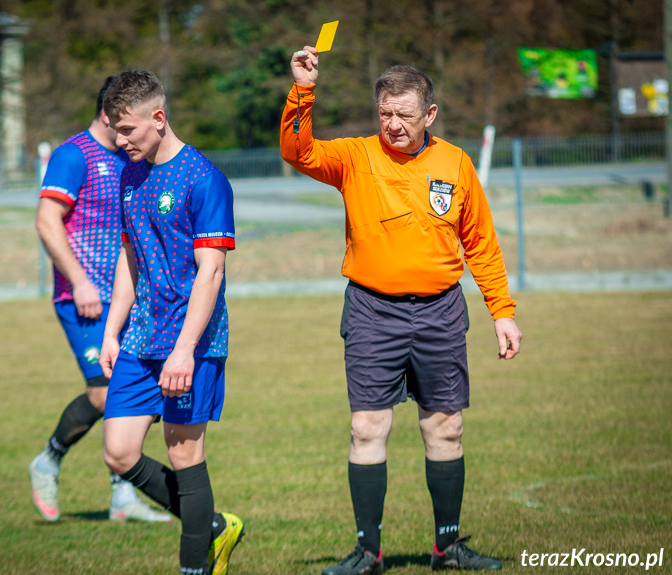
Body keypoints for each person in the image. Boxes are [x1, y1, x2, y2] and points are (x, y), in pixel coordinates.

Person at [280, 47, 523, 574]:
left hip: (440, 313)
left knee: (445, 428)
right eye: (385, 114)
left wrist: (501, 311)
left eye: (404, 115)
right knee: (367, 428)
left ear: (429, 115)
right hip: (372, 312)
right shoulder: (353, 156)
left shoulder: (455, 163)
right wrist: (303, 90)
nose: (392, 125)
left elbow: (481, 242)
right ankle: (368, 553)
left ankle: (447, 548)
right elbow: (297, 153)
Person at [98, 68, 244, 575]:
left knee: (184, 456)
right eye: (115, 129)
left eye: (127, 129)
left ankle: (194, 567)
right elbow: (130, 260)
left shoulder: (205, 180)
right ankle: (215, 527)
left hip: (193, 343)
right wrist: (112, 330)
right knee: (118, 452)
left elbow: (211, 273)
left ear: (158, 119)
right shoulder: (128, 173)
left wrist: (184, 350)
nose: (120, 140)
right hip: (140, 337)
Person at [28, 76, 172, 524]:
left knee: (132, 396)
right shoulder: (73, 155)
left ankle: (122, 499)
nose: (132, 132)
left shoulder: (131, 159)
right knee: (105, 391)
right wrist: (81, 282)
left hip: (129, 300)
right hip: (84, 298)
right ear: (110, 114)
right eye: (125, 121)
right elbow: (47, 222)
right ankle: (48, 460)